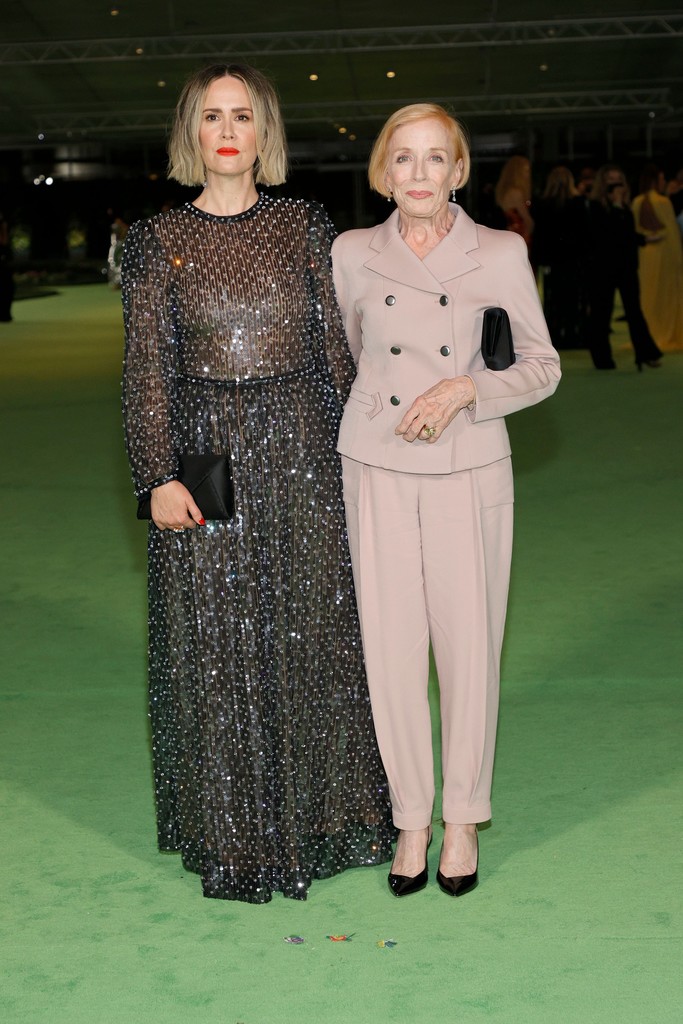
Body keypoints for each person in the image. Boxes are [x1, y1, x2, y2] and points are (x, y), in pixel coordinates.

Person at [121, 62, 393, 904]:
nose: (228, 131)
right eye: (212, 116)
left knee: (315, 632)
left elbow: (336, 352)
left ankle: (324, 818)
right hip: (205, 449)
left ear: (264, 131)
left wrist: (373, 450)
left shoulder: (305, 224)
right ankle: (235, 834)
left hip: (305, 445)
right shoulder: (155, 239)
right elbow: (145, 369)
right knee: (217, 645)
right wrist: (155, 475)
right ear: (191, 133)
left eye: (242, 115)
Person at [331, 104, 560, 898]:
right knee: (390, 652)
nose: (419, 173)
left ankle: (462, 817)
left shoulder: (498, 251)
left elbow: (541, 365)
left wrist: (466, 388)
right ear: (382, 172)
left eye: (436, 158)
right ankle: (410, 820)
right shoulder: (350, 253)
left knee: (469, 649)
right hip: (377, 463)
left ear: (459, 170)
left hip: (468, 464)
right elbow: (352, 355)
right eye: (403, 158)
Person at [585, 165, 663, 370]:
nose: (615, 183)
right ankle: (602, 358)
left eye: (619, 179)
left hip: (626, 266)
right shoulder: (595, 206)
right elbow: (604, 235)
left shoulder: (624, 205)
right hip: (602, 267)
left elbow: (626, 234)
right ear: (603, 182)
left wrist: (644, 238)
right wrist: (617, 207)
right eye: (611, 179)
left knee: (634, 311)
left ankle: (646, 352)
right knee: (602, 313)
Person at [532, 166, 588, 348]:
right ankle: (573, 334)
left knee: (552, 298)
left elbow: (540, 234)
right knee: (573, 297)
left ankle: (554, 335)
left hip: (553, 259)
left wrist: (539, 258)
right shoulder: (579, 202)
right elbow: (583, 233)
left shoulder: (542, 204)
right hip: (573, 258)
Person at [631, 164, 683, 351]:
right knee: (667, 295)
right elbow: (673, 234)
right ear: (656, 180)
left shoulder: (637, 202)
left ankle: (650, 332)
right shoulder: (663, 202)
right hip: (666, 255)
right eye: (662, 179)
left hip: (646, 255)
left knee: (648, 295)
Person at [494, 154, 534, 249]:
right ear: (517, 173)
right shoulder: (515, 192)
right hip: (518, 234)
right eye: (525, 170)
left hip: (510, 235)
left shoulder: (507, 191)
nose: (528, 174)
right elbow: (526, 219)